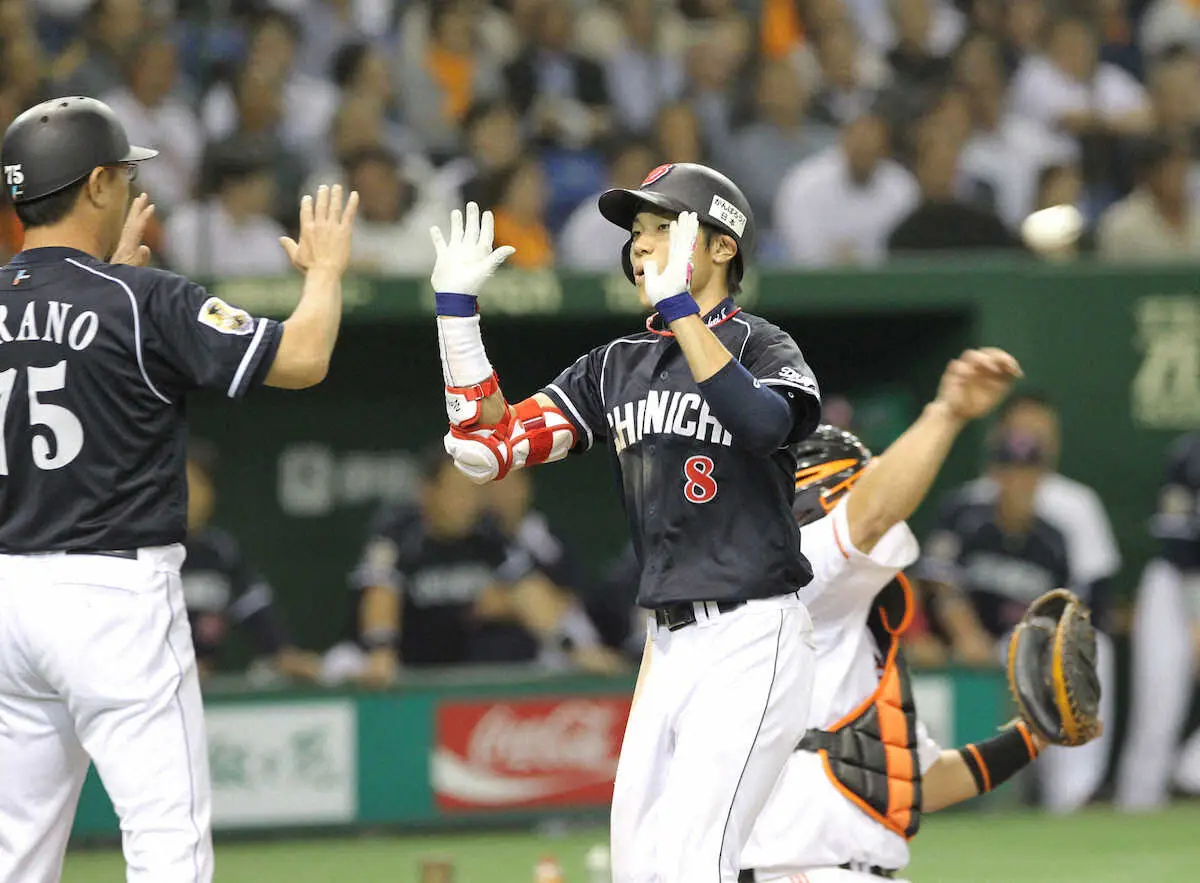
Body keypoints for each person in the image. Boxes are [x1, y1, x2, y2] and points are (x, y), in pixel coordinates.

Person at [427, 160, 822, 882]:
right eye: (638, 232)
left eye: (662, 228)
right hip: (667, 643)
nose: (642, 245)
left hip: (751, 632)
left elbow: (764, 422)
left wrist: (682, 313)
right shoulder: (617, 364)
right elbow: (490, 449)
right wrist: (457, 317)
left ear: (722, 245)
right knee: (641, 866)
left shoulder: (762, 344)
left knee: (696, 860)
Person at [0, 95, 357, 883]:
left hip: (8, 595)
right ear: (95, 184)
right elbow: (302, 357)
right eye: (122, 175)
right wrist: (327, 271)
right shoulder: (143, 299)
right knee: (167, 840)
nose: (128, 189)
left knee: (14, 850)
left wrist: (105, 283)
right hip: (110, 595)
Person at [740, 348, 1095, 883]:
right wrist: (947, 411)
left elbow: (921, 779)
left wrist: (1033, 737)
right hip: (802, 870)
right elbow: (875, 511)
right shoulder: (801, 574)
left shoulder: (847, 619)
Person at [919, 392, 1120, 812]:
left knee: (1077, 657)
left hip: (1033, 642)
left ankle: (1071, 797)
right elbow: (939, 581)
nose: (1019, 482)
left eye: (1028, 474)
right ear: (995, 471)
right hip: (977, 642)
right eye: (1010, 472)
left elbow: (1080, 601)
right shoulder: (967, 512)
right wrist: (966, 634)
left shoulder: (1054, 534)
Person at [182, 441, 322, 683]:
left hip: (199, 689)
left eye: (202, 484)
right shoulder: (139, 550)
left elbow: (254, 607)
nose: (195, 495)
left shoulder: (219, 552)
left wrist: (283, 652)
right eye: (186, 484)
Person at [1116, 431, 1200, 810]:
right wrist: (1196, 617)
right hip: (1175, 585)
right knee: (1157, 712)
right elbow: (1177, 540)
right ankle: (1137, 809)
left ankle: (1191, 771)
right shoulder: (1190, 454)